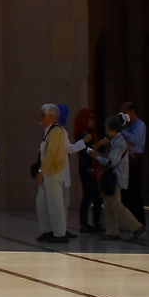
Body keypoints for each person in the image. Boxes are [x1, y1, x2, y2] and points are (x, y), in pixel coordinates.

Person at [93, 115, 145, 240]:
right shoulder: (114, 141)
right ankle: (112, 231)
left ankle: (136, 226)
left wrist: (96, 156)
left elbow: (112, 162)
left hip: (116, 177)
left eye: (107, 128)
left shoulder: (120, 142)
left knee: (115, 203)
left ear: (113, 129)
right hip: (112, 177)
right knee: (108, 204)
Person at [33, 104, 70, 244]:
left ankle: (60, 233)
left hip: (53, 172)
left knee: (55, 204)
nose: (40, 117)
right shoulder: (48, 131)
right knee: (41, 203)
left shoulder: (56, 131)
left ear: (51, 117)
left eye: (43, 114)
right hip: (47, 172)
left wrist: (42, 171)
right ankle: (47, 230)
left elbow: (52, 153)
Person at [71, 108, 104, 234]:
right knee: (88, 195)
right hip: (86, 168)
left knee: (97, 196)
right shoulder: (82, 134)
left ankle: (97, 222)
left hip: (94, 167)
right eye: (90, 118)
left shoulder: (92, 133)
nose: (93, 121)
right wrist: (99, 144)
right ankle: (84, 223)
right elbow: (87, 151)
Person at [119, 101, 148, 234]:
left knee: (135, 191)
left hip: (135, 157)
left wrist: (122, 132)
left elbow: (135, 140)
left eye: (126, 112)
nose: (124, 115)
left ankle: (140, 221)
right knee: (126, 191)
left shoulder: (139, 125)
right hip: (125, 158)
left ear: (132, 112)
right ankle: (129, 222)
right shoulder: (126, 125)